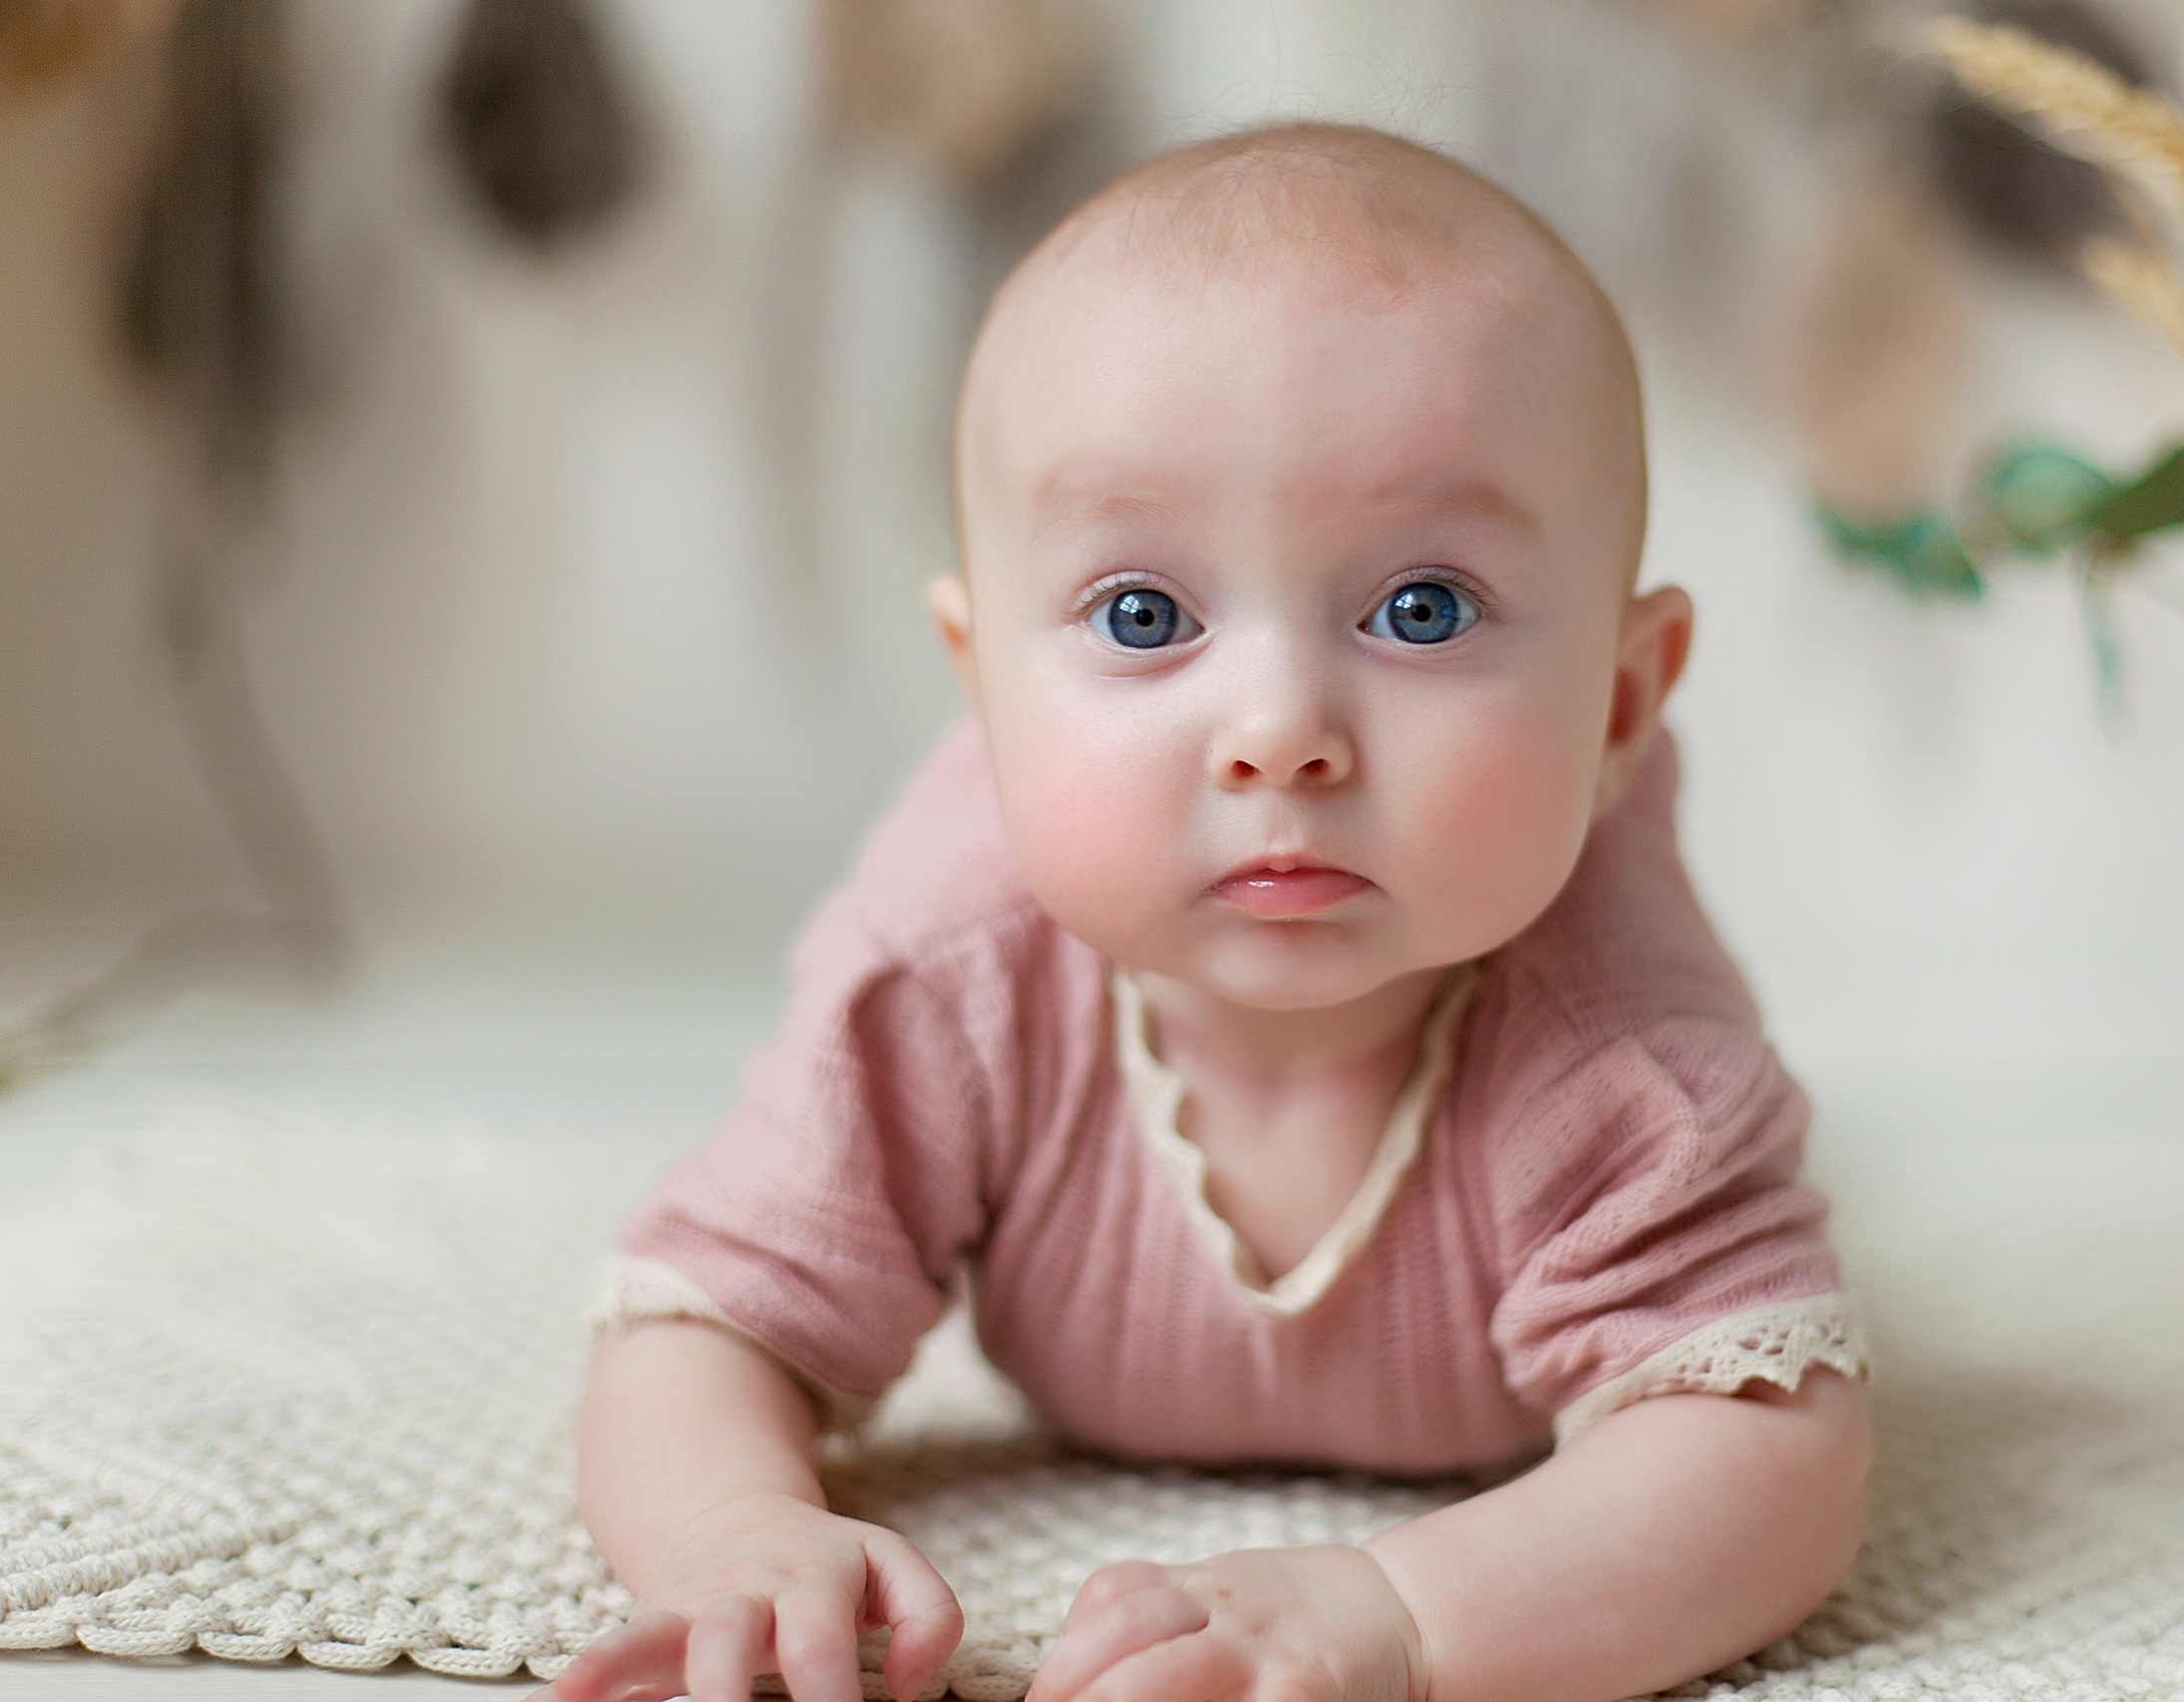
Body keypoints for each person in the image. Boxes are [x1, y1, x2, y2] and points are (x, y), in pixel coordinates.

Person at [531, 122, 1871, 1702]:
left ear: (1622, 708)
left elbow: (1775, 1458)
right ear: (985, 692)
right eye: (1145, 615)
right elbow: (698, 1316)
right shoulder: (946, 975)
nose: (1280, 728)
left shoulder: (1621, 1049)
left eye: (1421, 610)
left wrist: (1407, 1616)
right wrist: (732, 1530)